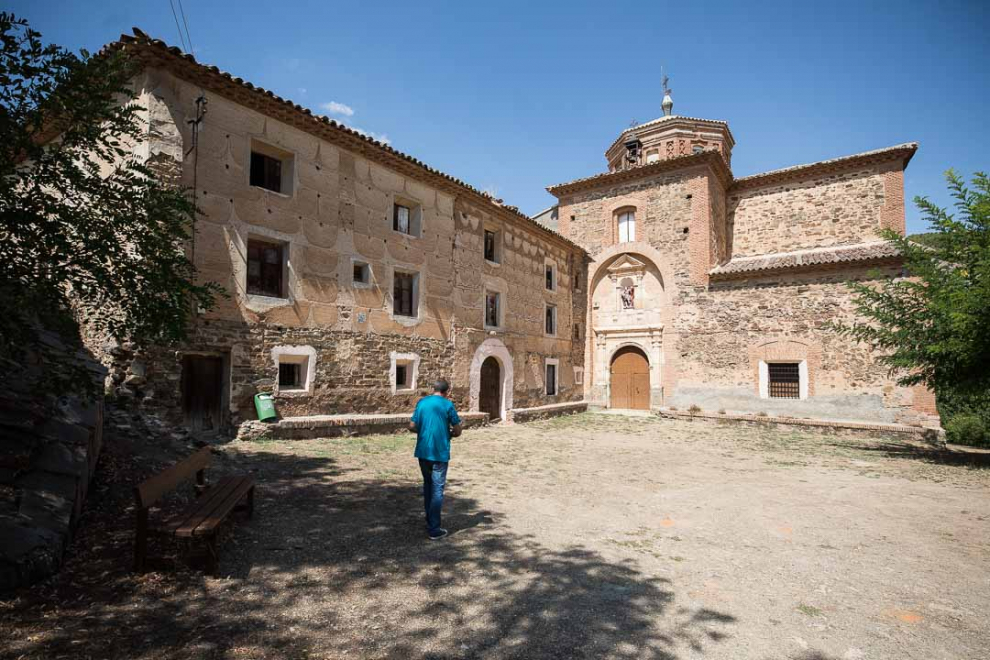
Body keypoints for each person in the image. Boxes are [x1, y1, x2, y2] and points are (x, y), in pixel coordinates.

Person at [409, 378, 462, 540]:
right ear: (447, 391)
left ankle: (429, 520)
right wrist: (451, 433)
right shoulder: (447, 405)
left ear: (433, 389)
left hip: (423, 451)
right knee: (437, 489)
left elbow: (411, 426)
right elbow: (458, 429)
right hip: (439, 453)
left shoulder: (422, 403)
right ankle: (434, 529)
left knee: (428, 486)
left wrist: (422, 431)